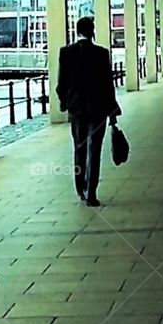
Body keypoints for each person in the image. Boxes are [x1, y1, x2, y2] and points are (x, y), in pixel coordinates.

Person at [56, 16, 121, 207]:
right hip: (99, 109)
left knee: (79, 148)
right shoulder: (102, 53)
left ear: (77, 31)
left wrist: (64, 103)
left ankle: (81, 189)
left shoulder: (66, 53)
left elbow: (61, 84)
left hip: (76, 110)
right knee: (95, 149)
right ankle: (92, 192)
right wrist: (113, 111)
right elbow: (108, 85)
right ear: (92, 31)